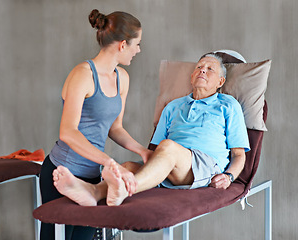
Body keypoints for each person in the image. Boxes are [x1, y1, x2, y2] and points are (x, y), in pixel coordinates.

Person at [52, 53, 250, 208]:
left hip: (205, 166)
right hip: (170, 163)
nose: (202, 71)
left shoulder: (228, 105)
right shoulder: (173, 106)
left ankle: (127, 188)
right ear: (191, 76)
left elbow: (239, 155)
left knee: (168, 148)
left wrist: (230, 177)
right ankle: (92, 192)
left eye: (210, 69)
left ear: (221, 82)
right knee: (129, 166)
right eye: (199, 67)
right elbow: (155, 150)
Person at [39, 9, 152, 240]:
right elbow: (68, 131)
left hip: (91, 176)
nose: (138, 50)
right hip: (62, 172)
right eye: (137, 44)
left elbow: (115, 128)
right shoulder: (83, 75)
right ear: (122, 44)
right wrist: (110, 163)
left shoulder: (122, 78)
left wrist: (141, 150)